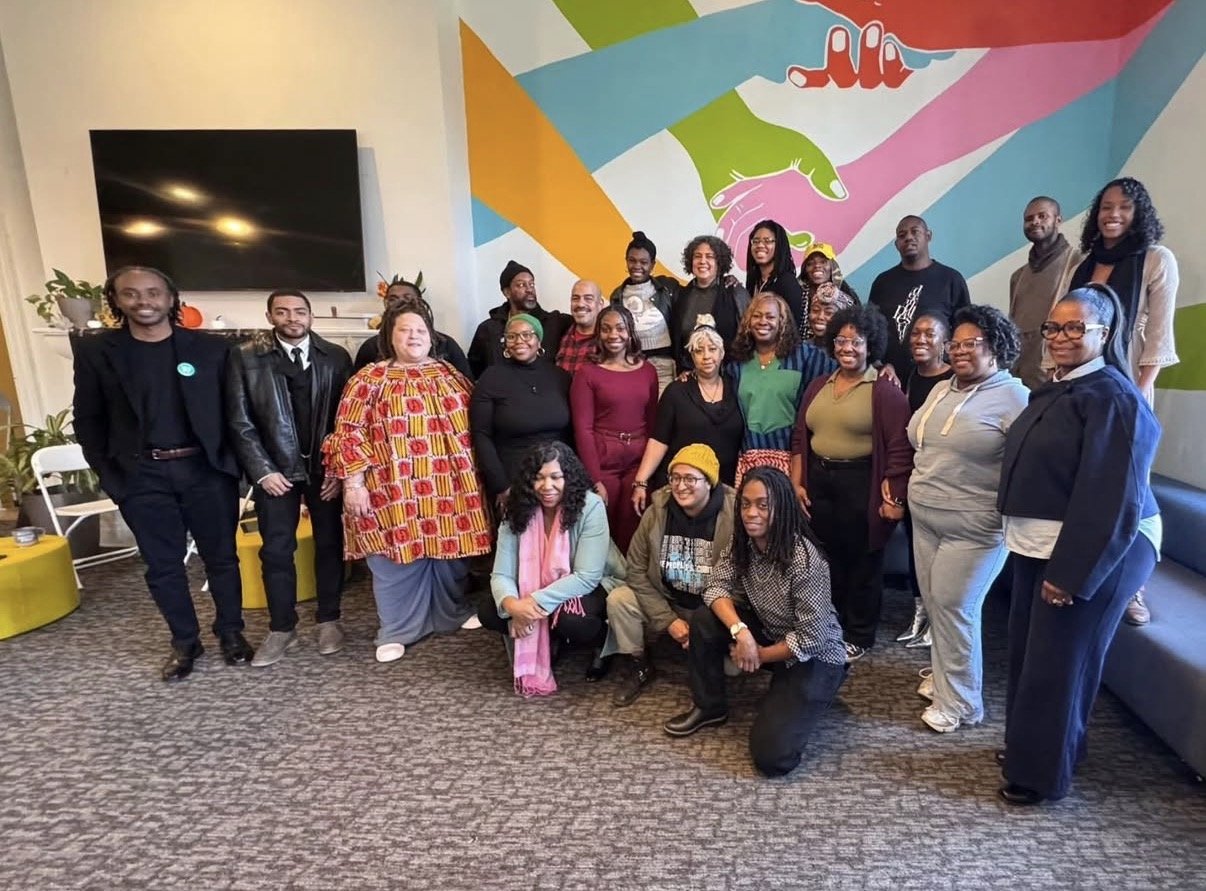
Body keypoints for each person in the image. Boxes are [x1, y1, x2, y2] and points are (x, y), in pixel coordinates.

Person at [996, 284, 1161, 805]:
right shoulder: (1062, 386)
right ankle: (1037, 748)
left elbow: (1111, 498)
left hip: (1097, 546)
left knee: (1058, 662)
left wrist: (1071, 574)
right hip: (1039, 541)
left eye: (1075, 328)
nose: (1061, 337)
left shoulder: (1111, 396)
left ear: (1104, 334)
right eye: (1053, 327)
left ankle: (1040, 776)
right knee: (1028, 653)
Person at [72, 266, 251, 681]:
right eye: (131, 294)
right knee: (163, 566)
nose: (144, 301)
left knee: (222, 558)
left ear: (171, 299)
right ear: (115, 301)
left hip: (205, 470)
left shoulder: (211, 350)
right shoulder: (99, 352)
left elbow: (233, 412)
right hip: (141, 475)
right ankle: (184, 642)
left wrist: (233, 467)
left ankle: (231, 633)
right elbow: (88, 420)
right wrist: (112, 477)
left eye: (153, 293)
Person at [324, 303, 492, 663]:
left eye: (420, 330)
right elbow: (348, 434)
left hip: (448, 484)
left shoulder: (449, 374)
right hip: (390, 487)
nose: (414, 336)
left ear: (432, 337)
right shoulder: (369, 380)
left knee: (450, 556)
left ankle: (452, 612)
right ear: (390, 336)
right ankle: (398, 629)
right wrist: (354, 483)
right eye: (405, 330)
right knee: (392, 559)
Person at [662, 468, 848, 778]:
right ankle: (710, 707)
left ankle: (827, 684)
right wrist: (741, 632)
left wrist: (758, 655)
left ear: (783, 507)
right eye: (745, 504)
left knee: (772, 759)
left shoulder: (805, 560)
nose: (751, 513)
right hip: (767, 632)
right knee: (705, 618)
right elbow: (716, 588)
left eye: (763, 505)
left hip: (815, 655)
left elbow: (811, 638)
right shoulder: (743, 542)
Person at [907, 305, 1028, 733]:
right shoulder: (943, 389)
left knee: (956, 606)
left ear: (996, 347)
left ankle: (961, 703)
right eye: (954, 343)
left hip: (975, 528)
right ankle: (945, 678)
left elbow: (1029, 467)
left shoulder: (1015, 397)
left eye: (971, 344)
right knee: (937, 602)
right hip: (924, 518)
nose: (959, 351)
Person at [1066, 178, 1179, 628]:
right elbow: (1067, 324)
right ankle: (1078, 571)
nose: (1113, 214)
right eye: (1106, 207)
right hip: (1078, 388)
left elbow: (1158, 337)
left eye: (1124, 207)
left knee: (1126, 487)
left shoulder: (1155, 259)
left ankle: (1133, 587)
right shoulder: (1082, 262)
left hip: (1128, 389)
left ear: (1139, 213)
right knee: (1081, 479)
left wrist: (1137, 393)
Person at [226, 289, 354, 666]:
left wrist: (338, 470)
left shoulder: (335, 357)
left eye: (300, 311)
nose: (292, 318)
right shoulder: (245, 357)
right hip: (275, 473)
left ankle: (330, 620)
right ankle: (282, 628)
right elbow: (239, 420)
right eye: (283, 312)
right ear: (270, 317)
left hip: (323, 471)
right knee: (277, 551)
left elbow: (345, 421)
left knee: (330, 545)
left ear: (311, 316)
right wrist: (263, 471)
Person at [790, 305, 913, 662]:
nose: (847, 348)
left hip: (862, 482)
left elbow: (900, 450)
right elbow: (800, 437)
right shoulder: (818, 385)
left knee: (862, 561)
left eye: (856, 341)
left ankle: (858, 634)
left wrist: (895, 499)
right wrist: (797, 484)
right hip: (819, 481)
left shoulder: (884, 390)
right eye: (841, 340)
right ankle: (829, 625)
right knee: (826, 559)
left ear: (870, 345)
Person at [479, 442, 617, 692]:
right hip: (533, 588)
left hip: (586, 585)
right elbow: (501, 573)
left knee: (572, 620)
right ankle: (549, 636)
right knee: (490, 612)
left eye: (556, 477)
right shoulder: (517, 508)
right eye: (538, 478)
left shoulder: (590, 506)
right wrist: (513, 605)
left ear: (569, 478)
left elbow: (587, 577)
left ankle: (602, 642)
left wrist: (529, 605)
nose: (547, 486)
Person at [607, 444, 736, 707]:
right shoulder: (657, 511)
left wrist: (704, 626)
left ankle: (703, 655)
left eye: (690, 478)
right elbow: (636, 569)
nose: (680, 486)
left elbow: (742, 581)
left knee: (733, 669)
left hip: (712, 609)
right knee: (619, 600)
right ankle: (639, 665)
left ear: (709, 482)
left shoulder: (734, 514)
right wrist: (667, 621)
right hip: (669, 601)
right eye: (675, 477)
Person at [570, 304, 658, 552]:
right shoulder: (587, 373)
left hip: (638, 459)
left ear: (630, 332)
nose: (613, 335)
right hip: (603, 457)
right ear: (598, 334)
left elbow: (653, 425)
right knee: (602, 519)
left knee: (634, 515)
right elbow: (583, 430)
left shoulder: (648, 371)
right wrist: (595, 479)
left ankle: (631, 579)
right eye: (606, 329)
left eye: (620, 328)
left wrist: (645, 476)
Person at [630, 315, 744, 507]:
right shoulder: (676, 391)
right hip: (681, 488)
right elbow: (659, 440)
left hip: (725, 489)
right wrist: (641, 482)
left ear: (722, 353)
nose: (706, 356)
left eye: (712, 349)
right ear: (691, 355)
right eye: (699, 351)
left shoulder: (737, 387)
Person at [470, 313, 574, 510]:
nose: (519, 341)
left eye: (527, 335)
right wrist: (501, 485)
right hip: (514, 479)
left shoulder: (560, 377)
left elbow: (571, 432)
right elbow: (481, 435)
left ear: (538, 340)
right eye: (512, 336)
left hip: (560, 476)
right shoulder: (491, 378)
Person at [728, 294, 835, 481]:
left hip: (793, 460)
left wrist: (881, 366)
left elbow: (846, 366)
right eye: (757, 316)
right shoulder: (737, 364)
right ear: (748, 321)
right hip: (749, 459)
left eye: (770, 317)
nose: (763, 321)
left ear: (782, 321)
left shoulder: (805, 356)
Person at [895, 310, 954, 648]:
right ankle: (920, 611)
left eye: (929, 334)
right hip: (913, 478)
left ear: (944, 343)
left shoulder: (952, 382)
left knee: (941, 558)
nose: (920, 340)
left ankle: (937, 618)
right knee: (918, 551)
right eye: (915, 333)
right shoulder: (909, 376)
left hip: (942, 483)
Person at [867, 215, 971, 384]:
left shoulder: (951, 279)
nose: (908, 237)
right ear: (896, 244)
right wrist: (879, 365)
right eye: (902, 235)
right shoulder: (882, 282)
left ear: (928, 236)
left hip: (941, 379)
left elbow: (965, 330)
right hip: (890, 378)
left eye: (915, 232)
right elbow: (872, 331)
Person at [1008, 197, 1075, 390]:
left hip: (1059, 380)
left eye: (1042, 216)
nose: (1035, 221)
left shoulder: (1078, 264)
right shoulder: (1018, 277)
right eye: (1029, 218)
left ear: (1058, 220)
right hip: (1020, 382)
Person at [467, 260, 568, 378]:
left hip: (543, 392)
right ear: (507, 292)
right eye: (521, 285)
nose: (529, 289)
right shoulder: (488, 329)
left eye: (531, 284)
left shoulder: (555, 322)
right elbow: (474, 372)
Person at [354, 281, 471, 378]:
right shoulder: (370, 347)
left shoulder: (446, 344)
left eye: (407, 298)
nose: (400, 302)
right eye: (392, 299)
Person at [610, 231, 680, 392]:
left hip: (663, 366)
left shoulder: (667, 288)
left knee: (664, 413)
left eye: (644, 262)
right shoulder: (617, 295)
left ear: (653, 264)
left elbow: (694, 294)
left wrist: (723, 279)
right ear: (626, 261)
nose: (637, 266)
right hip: (631, 363)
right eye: (632, 260)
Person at [669, 235, 750, 371]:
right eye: (698, 256)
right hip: (689, 375)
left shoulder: (734, 292)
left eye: (710, 256)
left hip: (729, 375)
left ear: (720, 262)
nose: (703, 261)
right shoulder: (681, 295)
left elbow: (748, 335)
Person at [744, 219, 804, 329]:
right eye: (756, 241)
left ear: (779, 246)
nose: (760, 245)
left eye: (767, 241)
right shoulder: (754, 281)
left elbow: (792, 328)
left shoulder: (787, 283)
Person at [798, 241, 860, 342]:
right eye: (810, 263)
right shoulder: (797, 293)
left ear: (833, 266)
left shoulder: (845, 294)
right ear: (805, 269)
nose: (817, 266)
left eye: (823, 262)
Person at [556, 279, 604, 375]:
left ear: (600, 304)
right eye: (575, 298)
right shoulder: (559, 334)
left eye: (588, 299)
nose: (580, 304)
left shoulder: (607, 340)